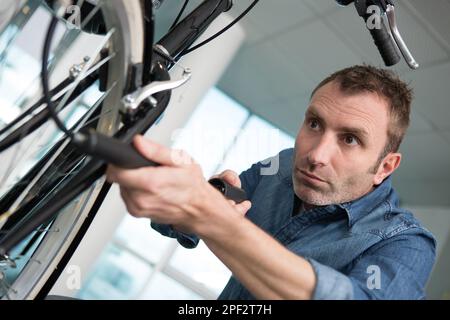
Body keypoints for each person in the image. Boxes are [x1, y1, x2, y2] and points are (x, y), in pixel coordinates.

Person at [106, 65, 436, 300]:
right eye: (315, 123)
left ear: (385, 166)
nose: (316, 154)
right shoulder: (280, 167)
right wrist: (187, 201)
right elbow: (192, 218)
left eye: (350, 139)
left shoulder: (406, 243)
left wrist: (209, 216)